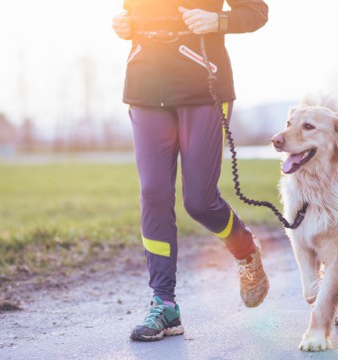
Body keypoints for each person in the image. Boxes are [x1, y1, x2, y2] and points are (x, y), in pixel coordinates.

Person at [112, 0, 269, 342]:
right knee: (153, 193)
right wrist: (125, 25)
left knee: (199, 201)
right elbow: (133, 13)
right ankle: (163, 302)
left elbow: (257, 13)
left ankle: (246, 252)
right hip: (145, 86)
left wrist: (217, 20)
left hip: (202, 83)